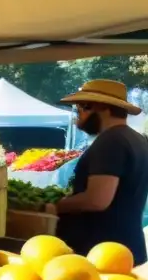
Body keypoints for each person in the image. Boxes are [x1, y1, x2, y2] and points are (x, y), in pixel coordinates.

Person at [47, 79, 148, 265]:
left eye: (80, 109)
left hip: (103, 253)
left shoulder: (111, 142)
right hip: (124, 248)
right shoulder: (137, 140)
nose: (78, 117)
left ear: (100, 107)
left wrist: (55, 206)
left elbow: (97, 200)